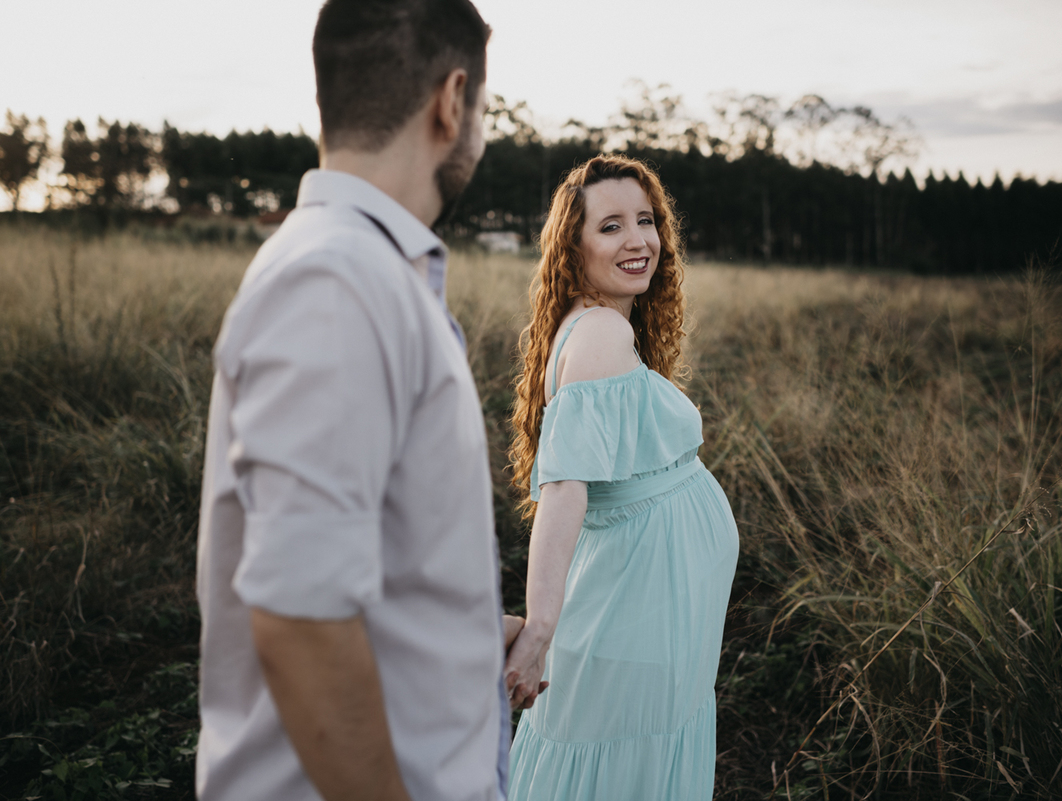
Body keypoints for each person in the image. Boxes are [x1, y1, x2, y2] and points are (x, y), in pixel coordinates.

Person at [195, 2, 527, 800]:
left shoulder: (369, 272)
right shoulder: (337, 280)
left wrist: (468, 629)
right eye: (481, 108)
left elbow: (357, 555)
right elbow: (302, 618)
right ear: (452, 101)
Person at [503, 154, 741, 800]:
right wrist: (540, 627)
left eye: (646, 219)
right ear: (572, 247)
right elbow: (564, 487)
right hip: (635, 612)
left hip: (647, 608)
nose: (638, 239)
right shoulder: (603, 332)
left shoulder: (594, 326)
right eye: (611, 226)